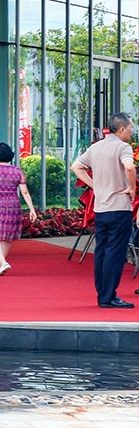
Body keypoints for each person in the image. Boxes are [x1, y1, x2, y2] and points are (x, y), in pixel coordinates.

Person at [71, 113, 137, 308]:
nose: (132, 132)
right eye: (131, 128)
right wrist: (132, 188)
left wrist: (95, 186)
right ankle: (109, 296)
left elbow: (76, 167)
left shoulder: (96, 147)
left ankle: (103, 293)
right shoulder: (123, 147)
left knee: (101, 251)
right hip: (119, 207)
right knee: (115, 252)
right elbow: (129, 167)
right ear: (122, 129)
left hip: (101, 208)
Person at [0, 143, 37, 276]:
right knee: (7, 236)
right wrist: (32, 209)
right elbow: (25, 192)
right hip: (13, 204)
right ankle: (0, 266)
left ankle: (3, 263)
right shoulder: (17, 171)